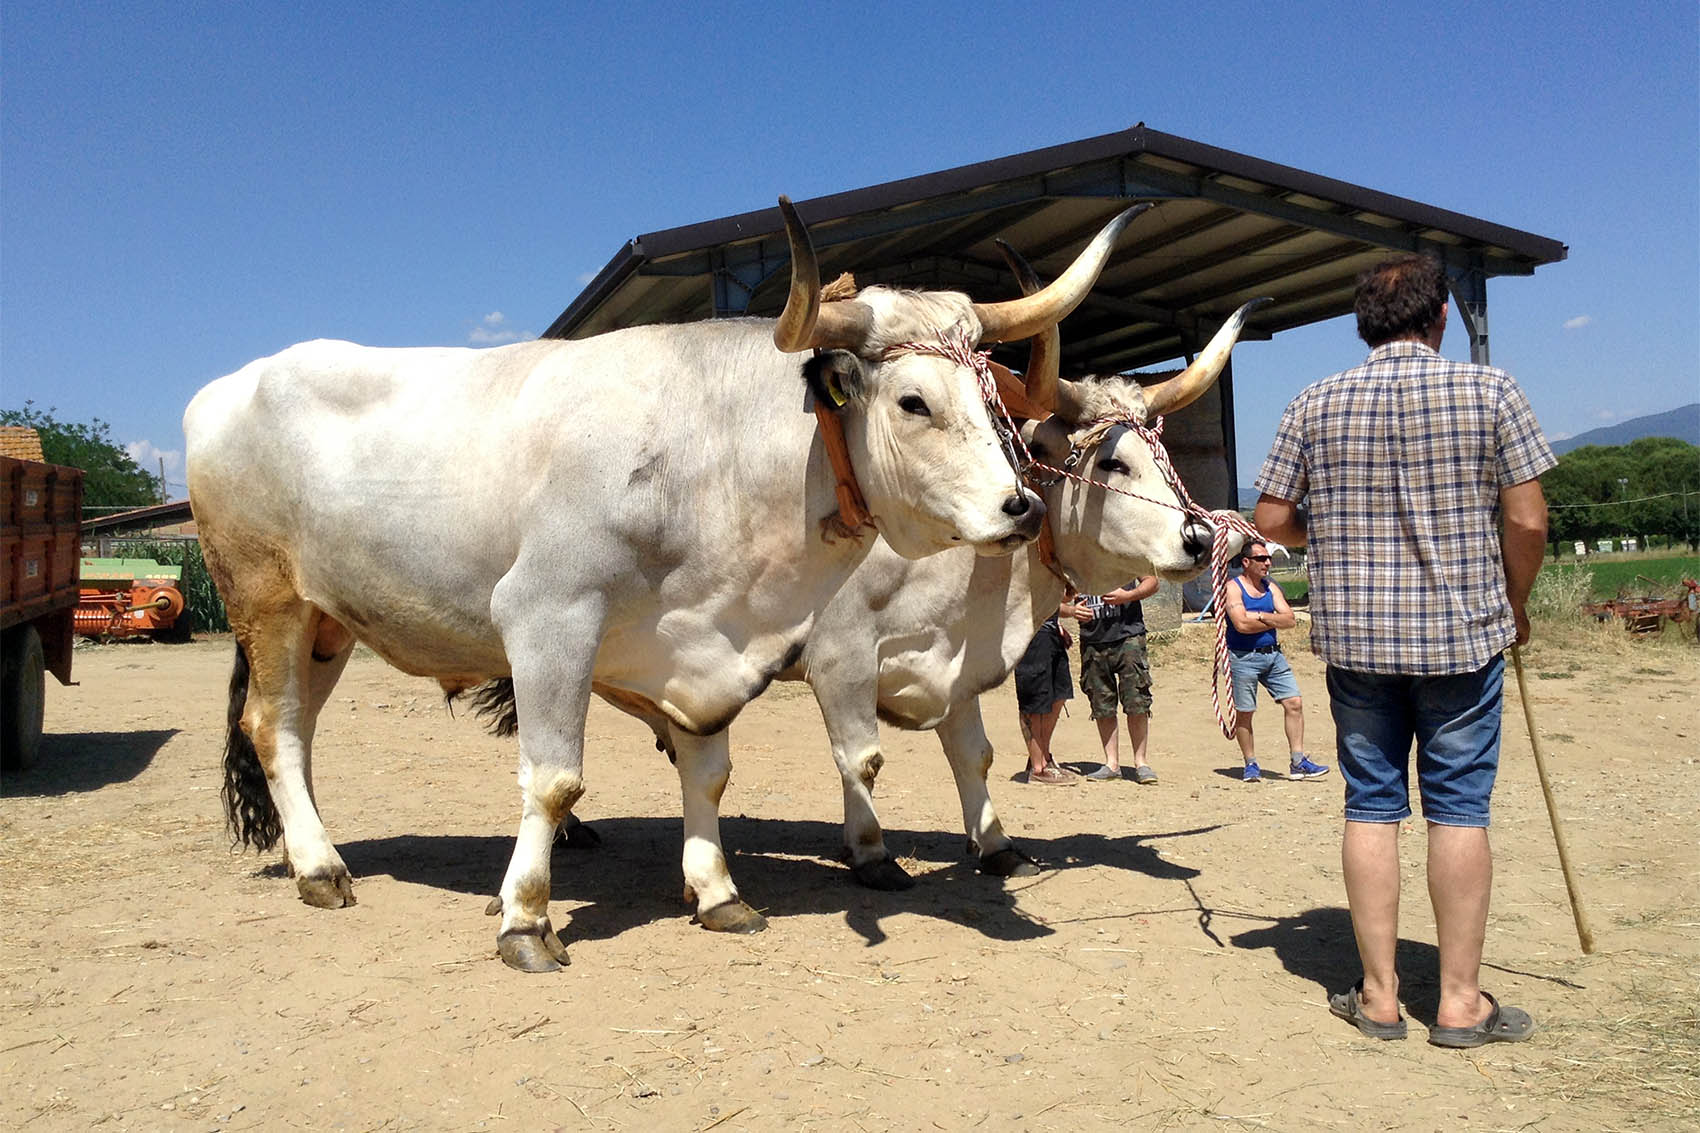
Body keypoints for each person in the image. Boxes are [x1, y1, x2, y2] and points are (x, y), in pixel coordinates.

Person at [1254, 253, 1551, 1048]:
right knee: (1458, 808)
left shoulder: (1313, 402)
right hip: (1462, 639)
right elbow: (1526, 520)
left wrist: (1329, 527)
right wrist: (1515, 604)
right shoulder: (1493, 391)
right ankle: (1460, 1003)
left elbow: (1270, 519)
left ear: (1363, 324)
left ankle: (1379, 997)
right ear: (1441, 315)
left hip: (1358, 643)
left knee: (1371, 806)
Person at [1223, 539, 1330, 783]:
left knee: (1294, 703)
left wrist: (1259, 615)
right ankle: (1250, 764)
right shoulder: (1233, 588)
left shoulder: (1270, 586)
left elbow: (1290, 620)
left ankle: (1298, 762)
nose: (1268, 563)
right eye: (1261, 559)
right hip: (1243, 658)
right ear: (1246, 562)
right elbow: (1241, 625)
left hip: (1273, 655)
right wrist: (1273, 618)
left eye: (1268, 558)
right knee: (1245, 713)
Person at [1077, 578, 1160, 783]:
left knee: (1136, 700)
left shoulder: (1126, 558)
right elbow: (1061, 590)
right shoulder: (1077, 561)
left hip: (1128, 637)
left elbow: (1152, 581)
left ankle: (1141, 763)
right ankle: (1111, 764)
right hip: (1093, 640)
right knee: (1101, 703)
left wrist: (1128, 596)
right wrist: (1071, 609)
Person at [1015, 598, 1091, 785]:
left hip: (1050, 633)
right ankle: (1038, 769)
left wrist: (1067, 613)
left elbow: (1051, 600)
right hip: (1030, 634)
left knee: (1059, 695)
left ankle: (1043, 757)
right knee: (1035, 700)